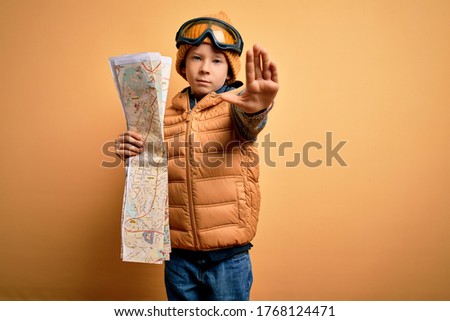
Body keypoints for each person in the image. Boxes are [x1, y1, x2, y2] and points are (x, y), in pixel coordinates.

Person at [114, 11, 279, 300]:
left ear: (229, 72)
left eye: (217, 61)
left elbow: (250, 125)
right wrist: (131, 152)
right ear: (182, 66)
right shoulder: (161, 113)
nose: (205, 68)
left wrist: (257, 109)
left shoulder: (237, 108)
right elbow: (151, 171)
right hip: (178, 256)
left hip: (229, 258)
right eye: (196, 58)